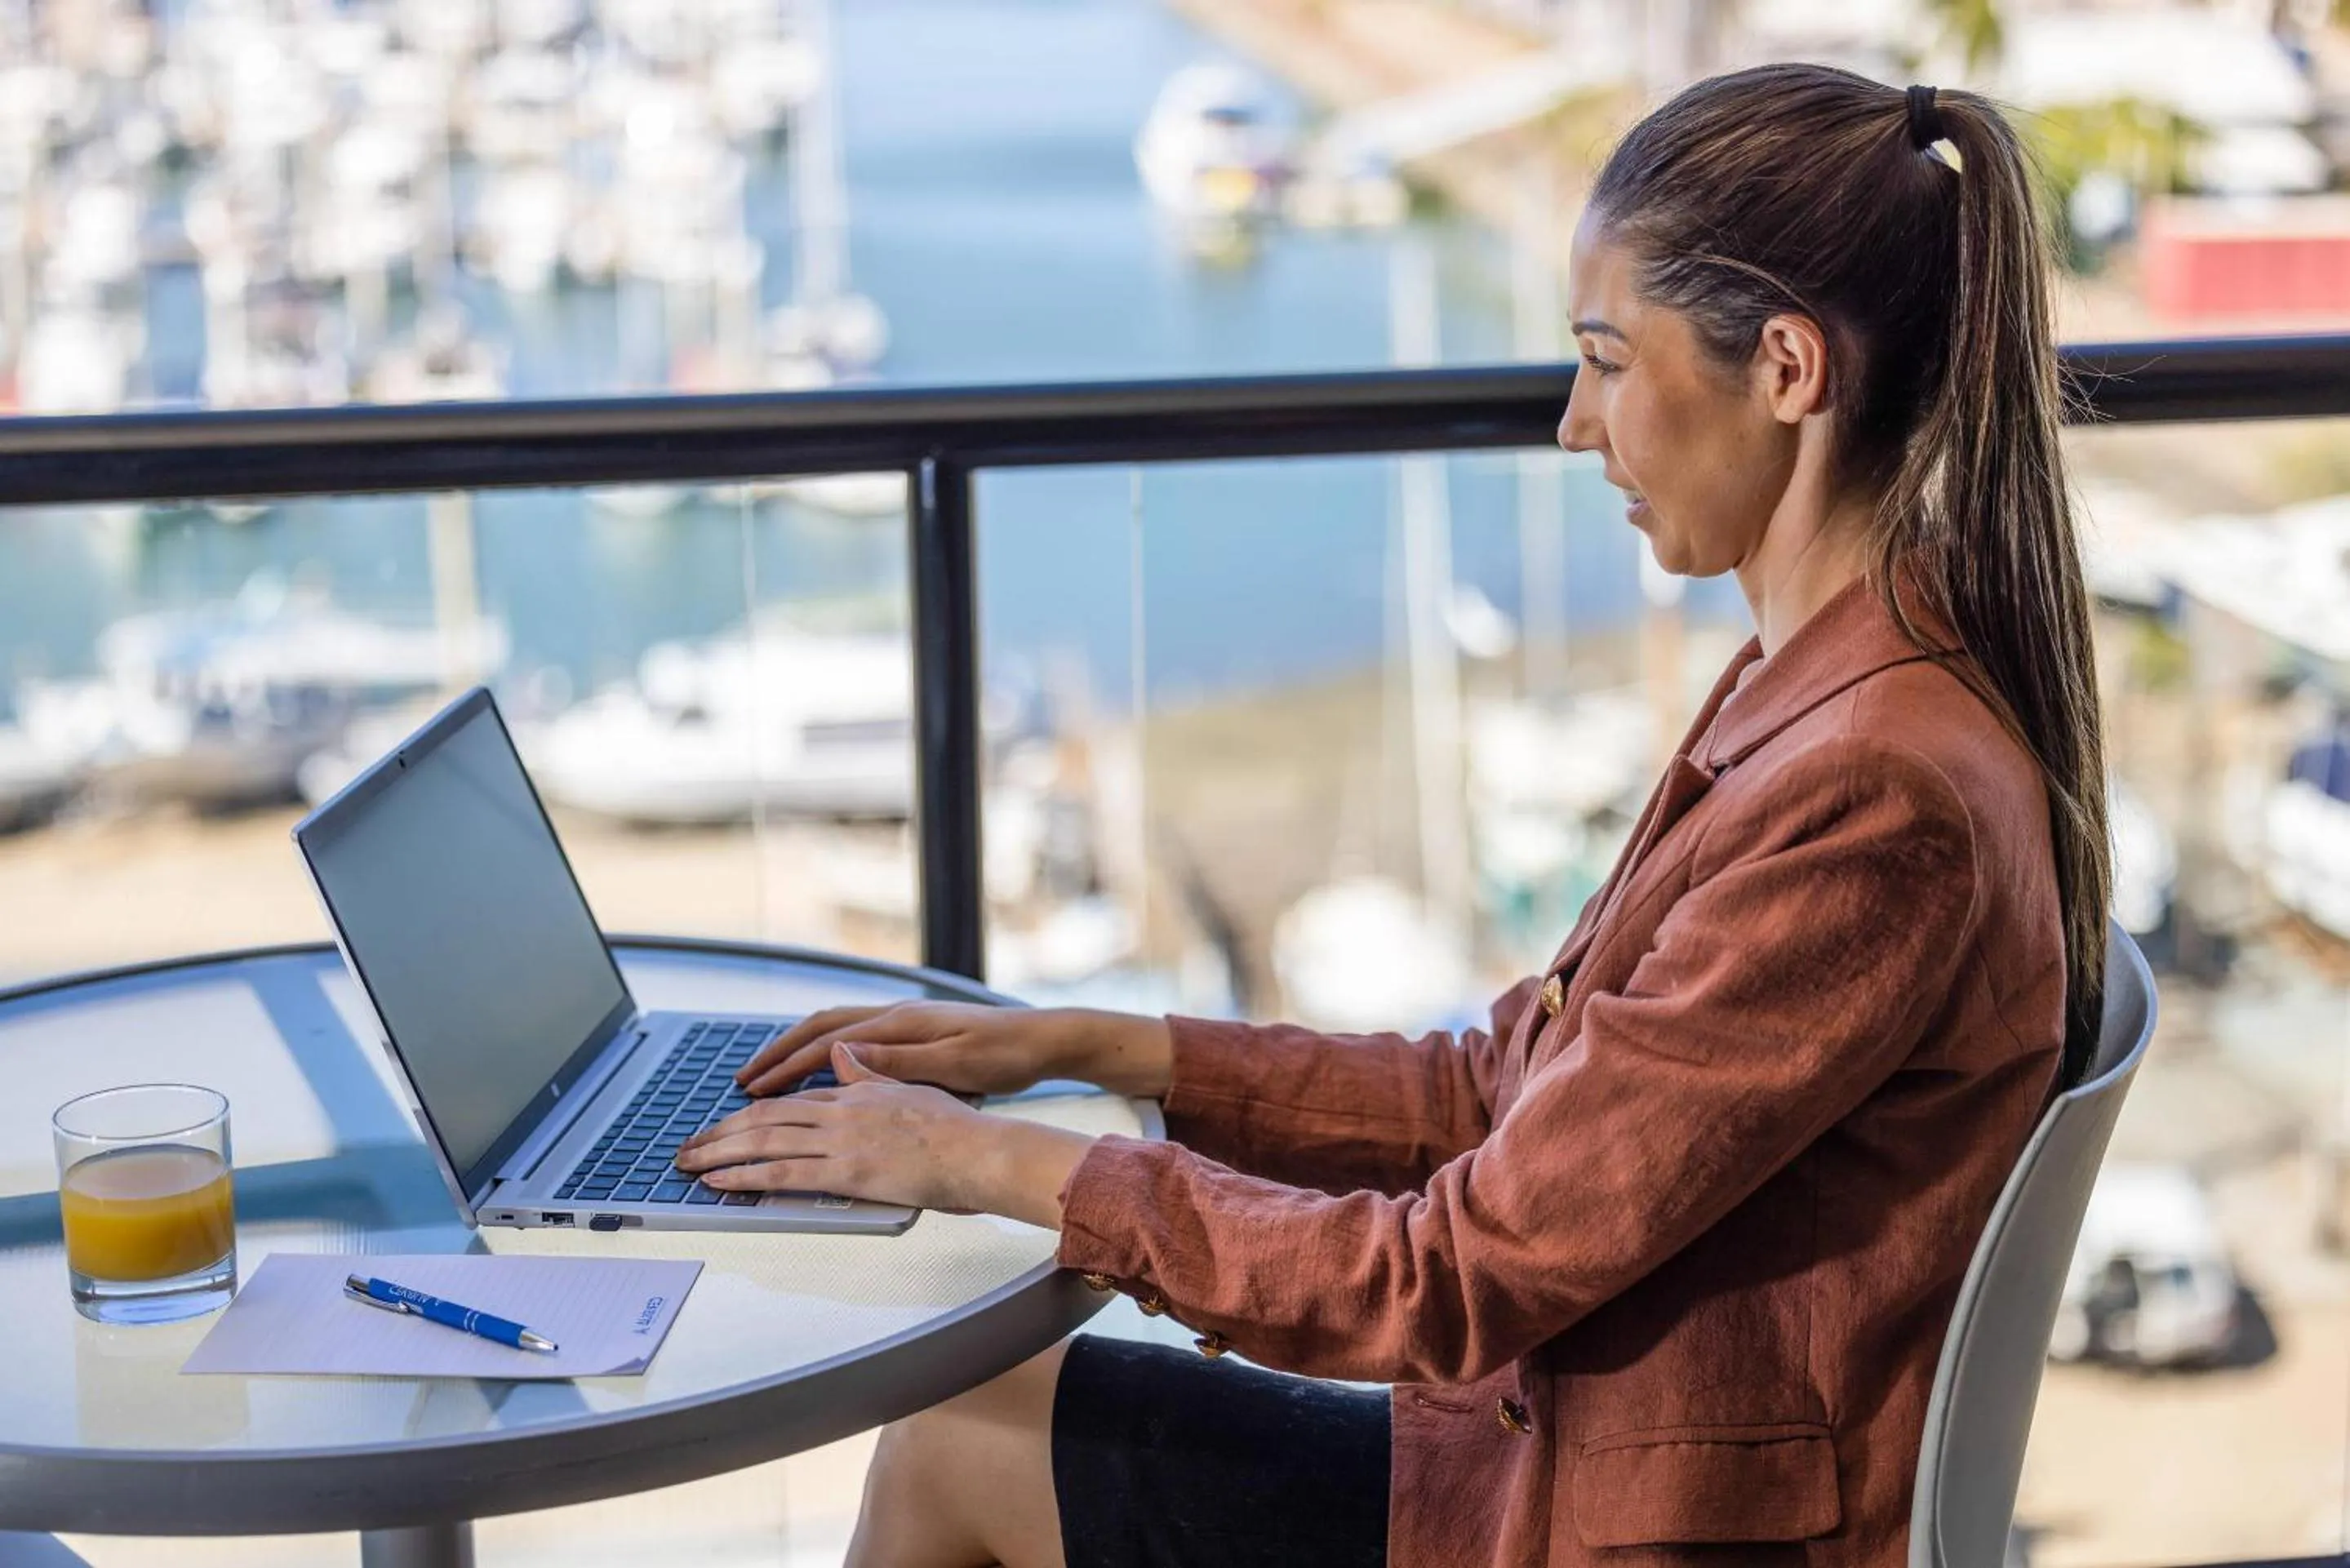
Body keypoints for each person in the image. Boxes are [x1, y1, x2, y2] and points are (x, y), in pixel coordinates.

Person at [673, 61, 2111, 1568]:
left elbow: (1447, 1281)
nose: (1574, 424)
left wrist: (989, 1163)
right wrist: (1085, 1046)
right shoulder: (1827, 685)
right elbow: (1500, 1096)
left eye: (1609, 362)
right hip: (1557, 1453)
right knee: (965, 1426)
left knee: (957, 1445)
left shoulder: (1874, 798)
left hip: (1619, 1523)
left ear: (1788, 372)